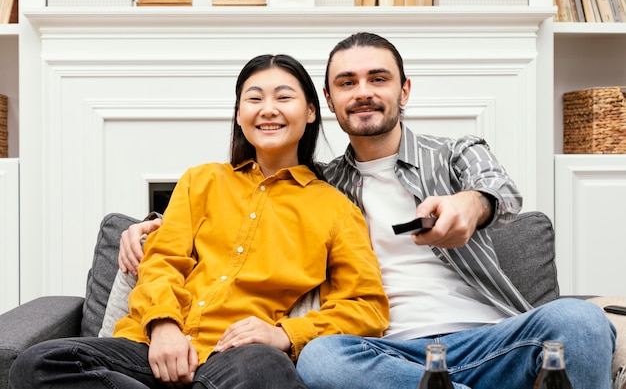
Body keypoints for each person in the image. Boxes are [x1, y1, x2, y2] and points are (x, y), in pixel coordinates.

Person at [117, 33, 617, 389]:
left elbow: (497, 188)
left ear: (403, 90)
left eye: (378, 78)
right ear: (329, 103)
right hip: (381, 354)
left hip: (489, 339)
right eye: (347, 82)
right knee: (322, 360)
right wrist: (149, 228)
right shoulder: (325, 186)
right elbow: (254, 209)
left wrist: (472, 204)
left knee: (581, 322)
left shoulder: (456, 152)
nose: (363, 92)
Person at [8, 53, 389, 389]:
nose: (268, 109)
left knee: (267, 370)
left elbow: (366, 306)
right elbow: (162, 261)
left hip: (236, 359)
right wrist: (164, 327)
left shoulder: (335, 208)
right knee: (39, 363)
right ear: (240, 115)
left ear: (309, 112)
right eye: (254, 99)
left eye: (284, 97)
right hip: (148, 350)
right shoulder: (201, 181)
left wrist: (285, 334)